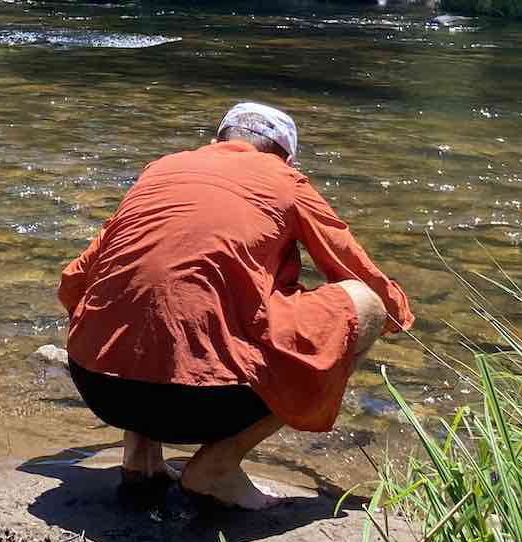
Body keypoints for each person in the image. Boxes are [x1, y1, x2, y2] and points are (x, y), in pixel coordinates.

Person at [57, 101, 414, 510]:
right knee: (364, 304)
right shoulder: (287, 182)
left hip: (100, 387)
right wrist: (397, 317)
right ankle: (216, 468)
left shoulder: (160, 170)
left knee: (152, 289)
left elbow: (74, 283)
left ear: (215, 142)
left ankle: (140, 458)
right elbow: (357, 272)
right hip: (206, 404)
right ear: (289, 159)